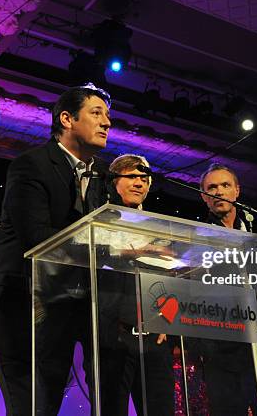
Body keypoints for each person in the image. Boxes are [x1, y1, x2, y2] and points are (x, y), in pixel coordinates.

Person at [0, 83, 112, 415]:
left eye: (108, 116)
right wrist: (108, 248)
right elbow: (37, 237)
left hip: (59, 318)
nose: (107, 123)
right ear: (67, 119)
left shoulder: (98, 177)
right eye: (97, 113)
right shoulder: (31, 165)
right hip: (20, 314)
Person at [97, 154, 174, 416]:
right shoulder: (98, 219)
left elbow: (167, 279)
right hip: (110, 335)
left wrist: (166, 319)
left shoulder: (160, 227)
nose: (139, 183)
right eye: (132, 177)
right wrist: (131, 252)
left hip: (154, 336)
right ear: (114, 182)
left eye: (144, 178)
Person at [197, 163, 257, 415]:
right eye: (212, 187)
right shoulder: (197, 235)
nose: (219, 192)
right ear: (203, 196)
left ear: (237, 191)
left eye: (225, 185)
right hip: (222, 340)